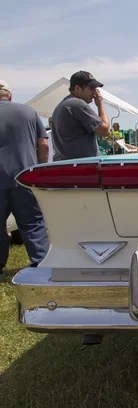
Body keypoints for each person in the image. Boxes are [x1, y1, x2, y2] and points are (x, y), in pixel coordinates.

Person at [0, 80, 50, 275]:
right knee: (33, 222)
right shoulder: (28, 112)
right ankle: (41, 262)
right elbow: (43, 144)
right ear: (10, 96)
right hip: (24, 175)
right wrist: (40, 170)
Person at [51, 71, 111, 161]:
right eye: (91, 88)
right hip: (81, 165)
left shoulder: (61, 106)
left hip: (66, 164)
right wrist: (100, 104)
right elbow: (105, 131)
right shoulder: (77, 104)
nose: (95, 93)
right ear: (77, 88)